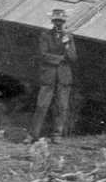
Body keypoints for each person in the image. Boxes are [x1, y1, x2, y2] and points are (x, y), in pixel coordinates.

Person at [24, 9, 77, 144]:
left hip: (64, 77)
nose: (58, 23)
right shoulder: (45, 35)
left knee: (62, 107)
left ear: (64, 22)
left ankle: (57, 136)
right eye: (56, 21)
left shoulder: (69, 37)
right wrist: (61, 58)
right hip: (48, 76)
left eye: (61, 21)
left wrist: (66, 44)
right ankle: (32, 136)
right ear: (52, 21)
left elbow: (73, 57)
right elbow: (43, 54)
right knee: (42, 106)